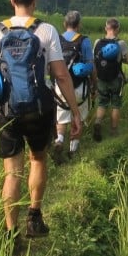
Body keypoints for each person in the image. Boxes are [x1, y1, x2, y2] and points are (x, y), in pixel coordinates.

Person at [0, 0, 83, 247]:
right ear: (35, 1)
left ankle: (11, 234)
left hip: (7, 110)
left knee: (12, 173)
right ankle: (34, 217)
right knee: (38, 159)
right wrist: (75, 112)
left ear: (12, 1)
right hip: (39, 107)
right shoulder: (45, 30)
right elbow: (60, 74)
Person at [53, 10, 95, 160]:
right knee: (79, 117)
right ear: (79, 25)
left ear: (65, 24)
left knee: (61, 117)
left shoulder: (57, 39)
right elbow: (91, 66)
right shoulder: (84, 41)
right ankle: (73, 150)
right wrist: (93, 85)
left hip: (60, 88)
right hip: (79, 88)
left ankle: (59, 140)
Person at [92, 18, 128, 139]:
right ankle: (114, 131)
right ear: (117, 29)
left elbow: (95, 59)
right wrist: (121, 59)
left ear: (106, 28)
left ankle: (98, 121)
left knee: (102, 103)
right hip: (116, 79)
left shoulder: (98, 42)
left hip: (101, 78)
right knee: (116, 105)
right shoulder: (121, 43)